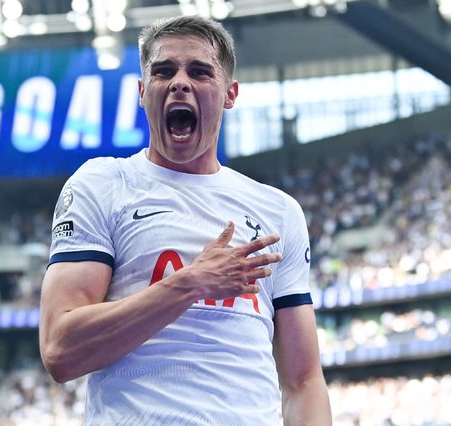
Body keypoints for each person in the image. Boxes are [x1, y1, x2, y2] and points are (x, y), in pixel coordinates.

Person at [39, 15, 332, 425]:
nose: (179, 82)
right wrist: (191, 282)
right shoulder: (103, 184)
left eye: (199, 71)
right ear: (143, 93)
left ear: (230, 94)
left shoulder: (278, 211)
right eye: (163, 71)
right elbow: (59, 350)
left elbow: (303, 380)